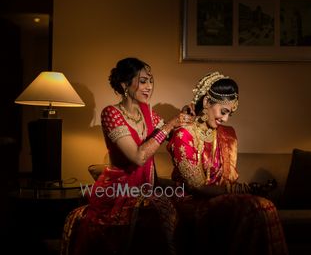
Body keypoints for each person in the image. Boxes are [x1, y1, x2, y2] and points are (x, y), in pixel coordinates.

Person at [61, 57, 193, 255]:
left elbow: (174, 138)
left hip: (146, 186)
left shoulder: (149, 114)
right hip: (118, 190)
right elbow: (138, 157)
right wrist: (170, 124)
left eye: (150, 81)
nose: (149, 86)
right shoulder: (111, 114)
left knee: (182, 200)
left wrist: (190, 117)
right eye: (142, 81)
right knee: (161, 207)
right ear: (124, 84)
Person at [167, 71, 288, 255]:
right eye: (223, 112)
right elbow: (197, 185)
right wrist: (242, 190)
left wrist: (248, 189)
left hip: (219, 198)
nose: (225, 119)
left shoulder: (226, 135)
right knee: (257, 207)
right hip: (192, 203)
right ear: (207, 102)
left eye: (229, 114)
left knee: (264, 205)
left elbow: (227, 180)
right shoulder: (184, 135)